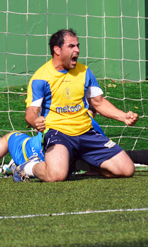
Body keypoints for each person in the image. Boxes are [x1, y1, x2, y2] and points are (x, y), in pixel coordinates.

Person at [14, 28, 140, 182]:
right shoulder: (41, 78)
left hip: (86, 132)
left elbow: (98, 103)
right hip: (58, 133)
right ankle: (26, 167)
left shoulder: (85, 72)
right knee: (56, 176)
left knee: (127, 170)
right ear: (57, 50)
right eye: (71, 46)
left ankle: (77, 161)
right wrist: (34, 121)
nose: (77, 50)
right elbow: (31, 111)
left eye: (78, 46)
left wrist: (124, 116)